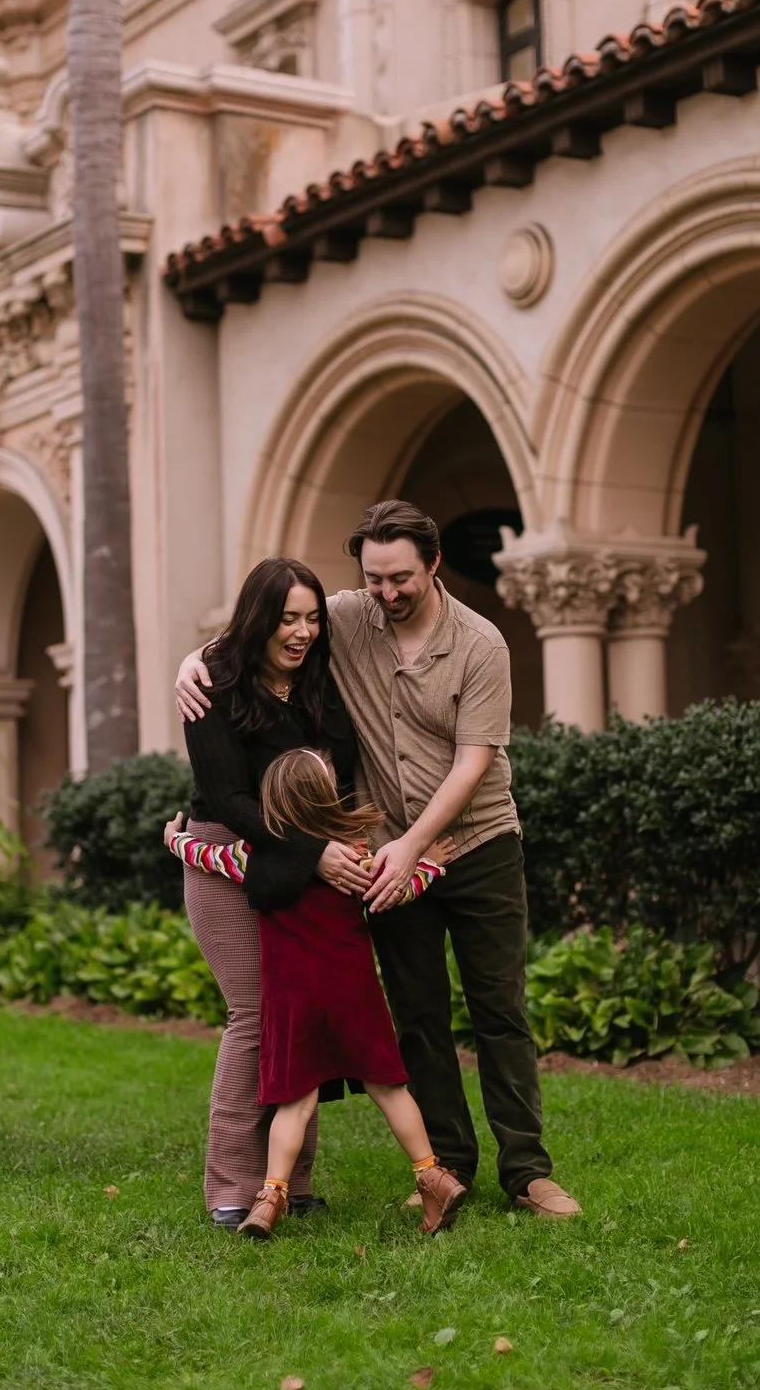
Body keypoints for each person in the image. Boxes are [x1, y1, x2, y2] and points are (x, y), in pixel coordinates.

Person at [177, 500, 581, 1221]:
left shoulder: (481, 645)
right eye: (374, 579)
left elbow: (474, 761)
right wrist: (197, 657)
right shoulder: (349, 617)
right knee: (418, 1017)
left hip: (474, 841)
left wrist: (411, 846)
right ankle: (447, 1164)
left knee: (499, 1012)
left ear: (433, 565)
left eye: (401, 578)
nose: (387, 593)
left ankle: (527, 1173)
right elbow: (266, 617)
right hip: (384, 854)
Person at [165, 749, 464, 1239]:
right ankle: (432, 1174)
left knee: (295, 1101)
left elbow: (206, 856)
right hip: (355, 995)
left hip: (295, 1001)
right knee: (389, 1088)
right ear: (328, 797)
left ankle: (271, 1196)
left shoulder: (252, 858)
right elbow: (396, 891)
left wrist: (175, 840)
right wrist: (431, 866)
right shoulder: (354, 854)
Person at [174, 554, 372, 1230]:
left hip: (304, 861)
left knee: (299, 1014)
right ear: (259, 620)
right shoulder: (214, 690)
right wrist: (315, 853)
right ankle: (233, 1188)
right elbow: (231, 800)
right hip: (228, 859)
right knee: (257, 1015)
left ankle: (292, 1183)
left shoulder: (320, 688)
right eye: (287, 618)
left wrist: (325, 852)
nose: (302, 632)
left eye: (312, 619)